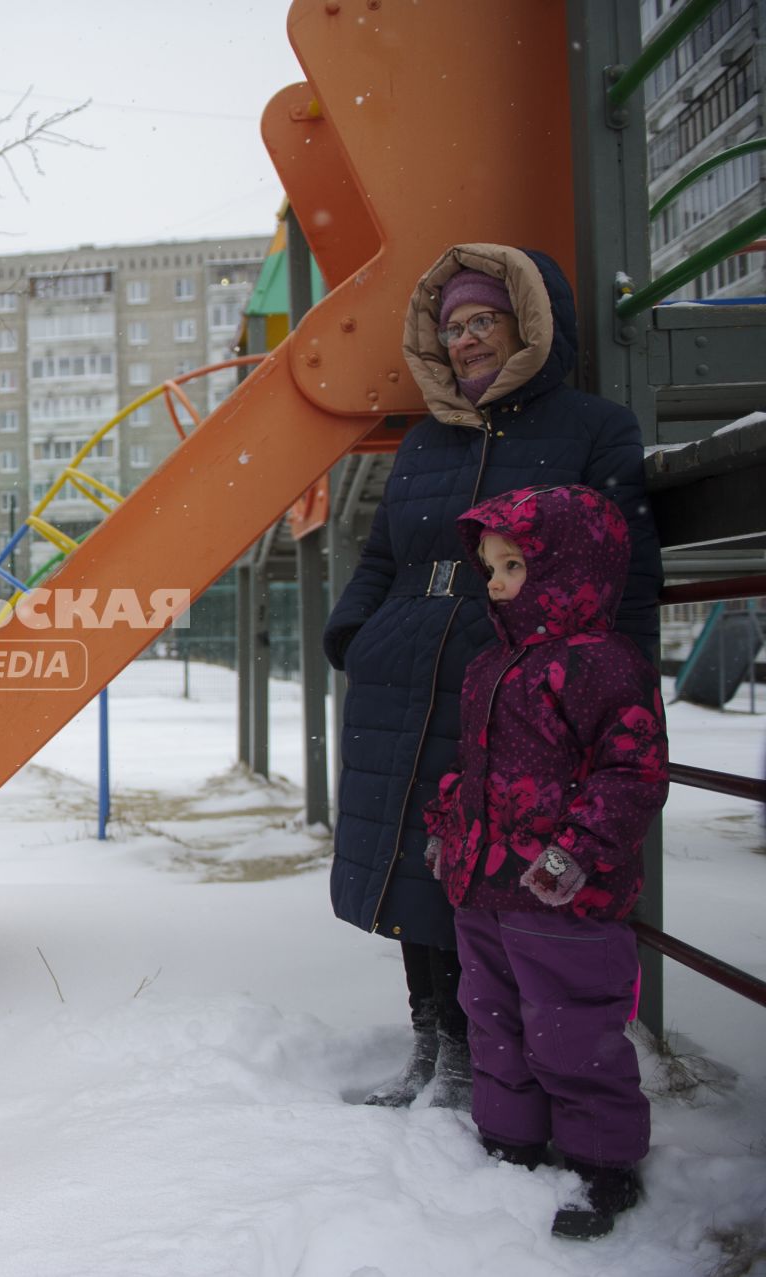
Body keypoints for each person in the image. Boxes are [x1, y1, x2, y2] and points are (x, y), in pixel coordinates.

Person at [323, 244, 661, 1111]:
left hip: (516, 682)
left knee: (480, 867)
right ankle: (431, 1041)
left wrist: (616, 685)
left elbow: (629, 565)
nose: (467, 340)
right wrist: (354, 634)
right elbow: (383, 553)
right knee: (411, 857)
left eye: (484, 321)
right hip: (405, 669)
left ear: (529, 325)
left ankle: (483, 1056)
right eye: (453, 327)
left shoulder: (593, 427)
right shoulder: (426, 440)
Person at [423, 484, 668, 1240]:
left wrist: (577, 853)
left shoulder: (602, 665)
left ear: (568, 570)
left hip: (564, 897)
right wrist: (447, 824)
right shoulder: (490, 665)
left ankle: (603, 1162)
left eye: (514, 565)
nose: (494, 582)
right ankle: (512, 1140)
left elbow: (632, 774)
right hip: (484, 888)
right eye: (490, 566)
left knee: (571, 1031)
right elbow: (475, 764)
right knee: (492, 1018)